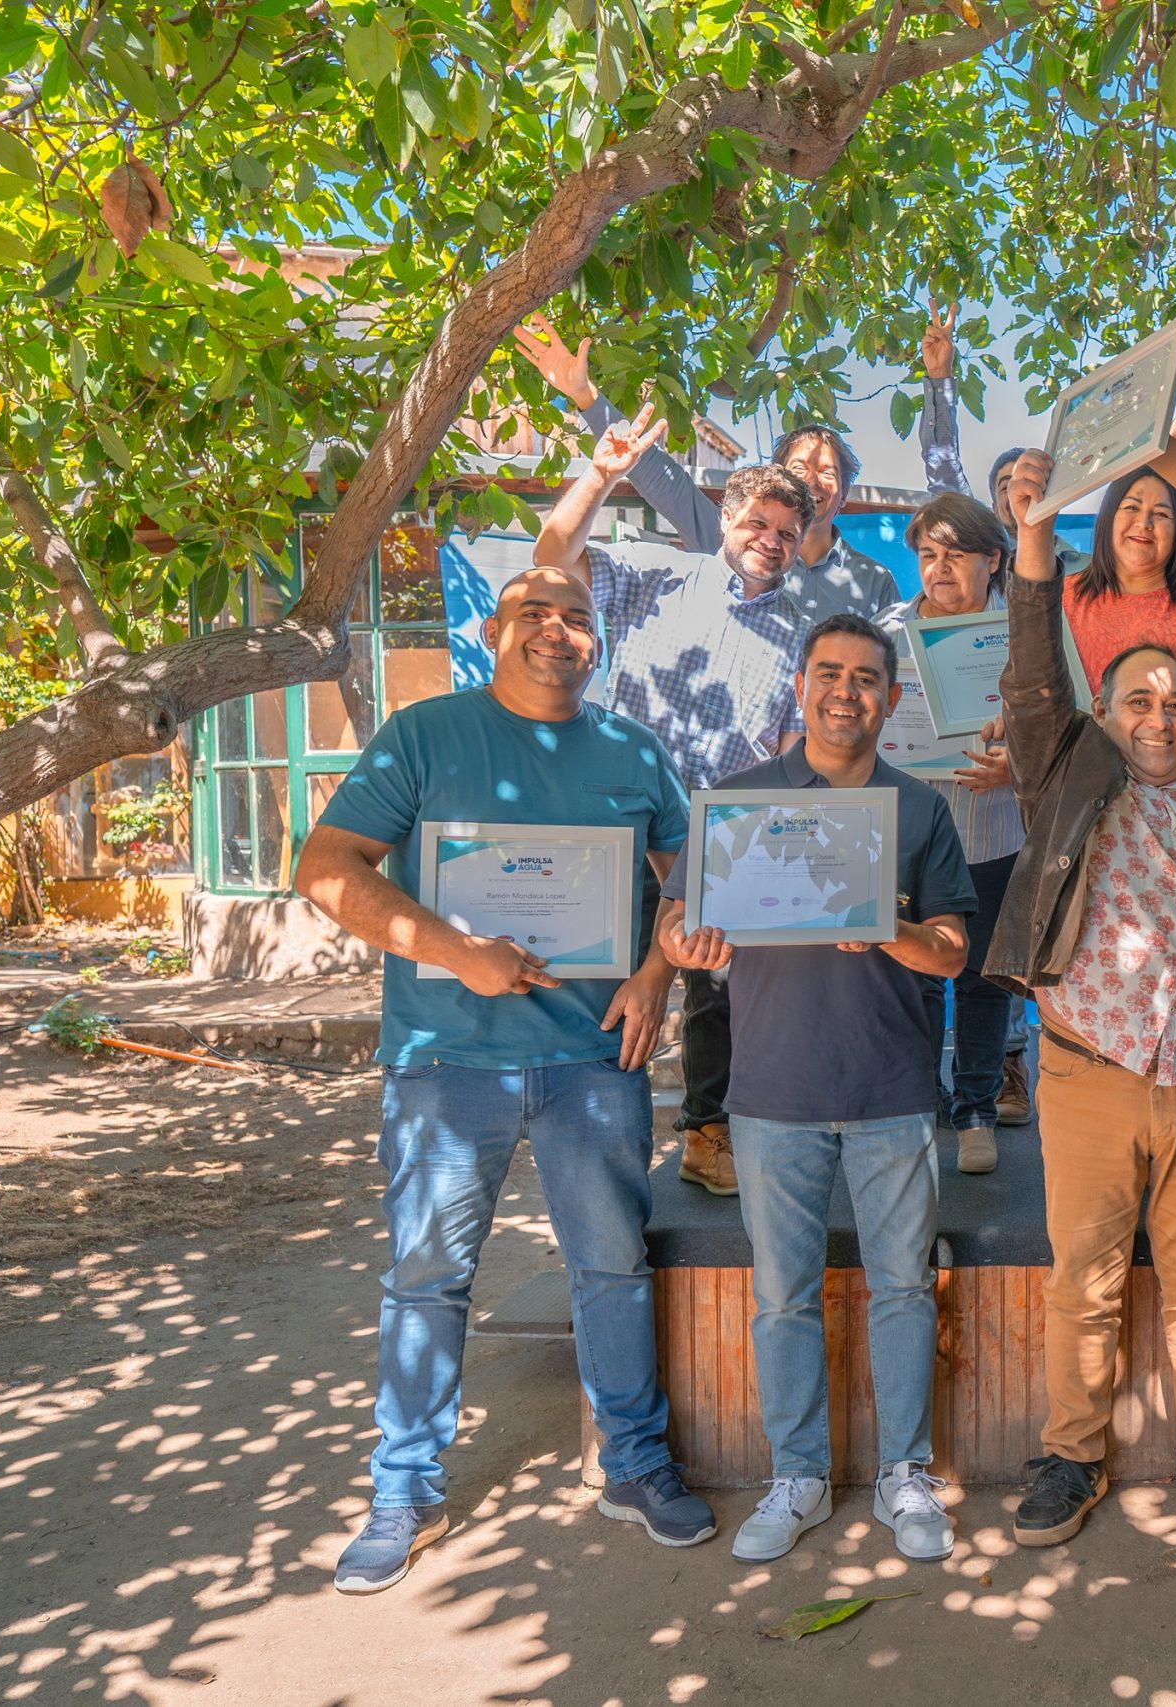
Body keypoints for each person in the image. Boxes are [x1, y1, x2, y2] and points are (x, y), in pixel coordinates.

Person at [296, 567, 715, 1595]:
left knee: (611, 1269)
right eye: (535, 613)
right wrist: (455, 951)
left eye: (578, 618)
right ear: (494, 630)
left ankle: (634, 1463)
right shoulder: (424, 735)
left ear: (597, 641)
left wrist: (656, 975)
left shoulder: (633, 751)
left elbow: (692, 883)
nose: (557, 631)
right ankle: (405, 1491)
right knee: (427, 1279)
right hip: (446, 1063)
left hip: (592, 1060)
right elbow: (326, 867)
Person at [988, 448, 1176, 1550]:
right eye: (1137, 698)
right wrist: (1033, 540)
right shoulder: (1074, 778)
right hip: (1090, 1075)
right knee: (1087, 1283)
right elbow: (1034, 680)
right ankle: (1071, 1457)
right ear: (1105, 713)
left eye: (1173, 697)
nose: (1160, 713)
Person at [656, 613, 975, 1565]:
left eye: (866, 677)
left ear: (892, 696)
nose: (846, 691)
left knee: (903, 1288)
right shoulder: (736, 802)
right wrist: (683, 943)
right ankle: (797, 1474)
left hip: (892, 1089)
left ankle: (903, 1472)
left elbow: (953, 953)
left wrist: (887, 928)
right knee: (782, 1297)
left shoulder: (919, 810)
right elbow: (676, 922)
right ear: (799, 686)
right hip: (773, 1091)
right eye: (829, 673)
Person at [535, 408, 817, 1199]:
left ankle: (705, 1133)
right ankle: (593, 1144)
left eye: (788, 532)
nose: (771, 539)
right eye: (758, 522)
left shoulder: (802, 634)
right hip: (619, 825)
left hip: (722, 837)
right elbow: (552, 559)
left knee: (717, 994)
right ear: (726, 517)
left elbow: (792, 750)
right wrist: (601, 474)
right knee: (602, 981)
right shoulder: (652, 574)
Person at [511, 318, 901, 618]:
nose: (812, 481)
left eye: (828, 473)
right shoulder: (732, 539)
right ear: (777, 482)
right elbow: (664, 480)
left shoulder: (873, 582)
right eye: (799, 468)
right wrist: (587, 397)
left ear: (844, 495)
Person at [877, 493, 1028, 1173]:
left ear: (993, 559)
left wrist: (1017, 765)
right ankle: (914, 1103)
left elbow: (1062, 724)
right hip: (906, 836)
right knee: (911, 974)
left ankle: (975, 1112)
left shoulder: (1024, 633)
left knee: (983, 979)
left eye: (956, 554)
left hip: (992, 830)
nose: (938, 568)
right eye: (928, 554)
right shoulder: (886, 633)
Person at [1060, 467, 1176, 768]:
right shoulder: (1065, 596)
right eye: (1131, 508)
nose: (1144, 523)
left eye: (1160, 514)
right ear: (1108, 517)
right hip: (1086, 776)